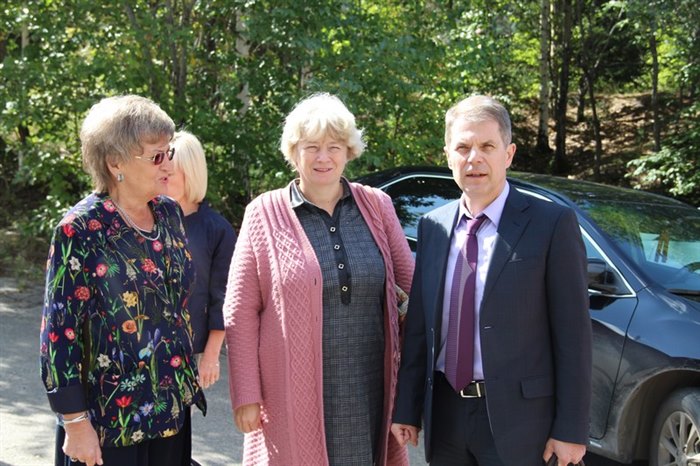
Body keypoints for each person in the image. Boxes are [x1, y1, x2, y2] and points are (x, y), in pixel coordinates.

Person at [391, 95, 592, 466]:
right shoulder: (434, 226)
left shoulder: (551, 224)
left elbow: (574, 336)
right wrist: (407, 407)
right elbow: (419, 328)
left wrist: (571, 430)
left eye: (487, 146)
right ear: (448, 156)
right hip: (446, 416)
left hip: (522, 424)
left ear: (508, 154)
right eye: (463, 148)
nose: (474, 158)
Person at [223, 92, 414, 465]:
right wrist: (246, 393)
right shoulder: (264, 214)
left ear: (349, 151)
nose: (323, 157)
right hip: (290, 391)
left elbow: (413, 290)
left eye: (334, 147)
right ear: (294, 152)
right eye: (311, 147)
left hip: (368, 385)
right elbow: (240, 309)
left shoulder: (377, 206)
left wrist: (412, 390)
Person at [39, 95, 205, 466]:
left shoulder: (169, 213)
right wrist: (74, 422)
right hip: (108, 422)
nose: (170, 164)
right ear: (115, 162)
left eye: (169, 151)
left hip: (169, 410)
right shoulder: (80, 229)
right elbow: (59, 334)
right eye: (157, 156)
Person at [169, 130, 237, 390]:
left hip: (191, 351)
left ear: (190, 174)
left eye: (169, 173)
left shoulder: (217, 229)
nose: (161, 178)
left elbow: (223, 298)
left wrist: (210, 356)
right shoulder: (146, 222)